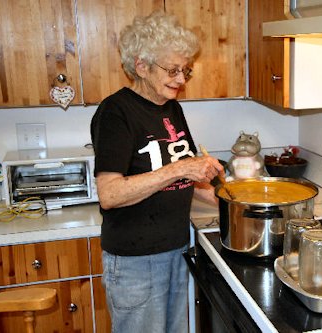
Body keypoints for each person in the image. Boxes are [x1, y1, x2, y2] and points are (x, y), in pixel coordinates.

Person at [90, 11, 224, 333]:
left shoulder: (171, 107)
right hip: (136, 262)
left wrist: (233, 202)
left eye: (186, 70)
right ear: (141, 66)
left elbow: (187, 178)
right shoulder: (115, 113)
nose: (181, 79)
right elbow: (109, 194)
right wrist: (179, 168)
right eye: (173, 70)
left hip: (176, 249)